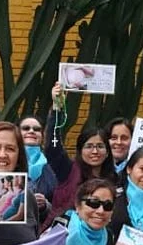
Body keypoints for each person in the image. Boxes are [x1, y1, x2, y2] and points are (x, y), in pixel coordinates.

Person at [42, 82, 119, 230]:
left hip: (98, 240)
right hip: (61, 237)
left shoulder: (115, 179)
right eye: (89, 146)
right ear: (80, 150)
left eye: (100, 146)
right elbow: (53, 147)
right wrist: (57, 108)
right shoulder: (68, 170)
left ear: (108, 151)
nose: (95, 151)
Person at [19, 115, 58, 221]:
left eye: (37, 129)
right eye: (26, 128)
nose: (31, 131)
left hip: (39, 230)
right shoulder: (8, 161)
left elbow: (58, 204)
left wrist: (45, 205)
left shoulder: (51, 166)